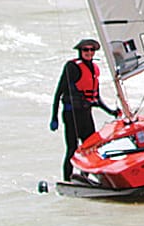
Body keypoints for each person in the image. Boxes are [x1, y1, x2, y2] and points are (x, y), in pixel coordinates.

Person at [50, 38, 117, 183]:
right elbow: (58, 92)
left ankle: (84, 178)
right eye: (86, 50)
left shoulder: (94, 69)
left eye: (92, 50)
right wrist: (54, 117)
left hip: (86, 114)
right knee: (72, 149)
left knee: (91, 149)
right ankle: (67, 180)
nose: (89, 52)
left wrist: (111, 111)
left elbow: (96, 98)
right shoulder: (72, 67)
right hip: (71, 114)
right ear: (80, 51)